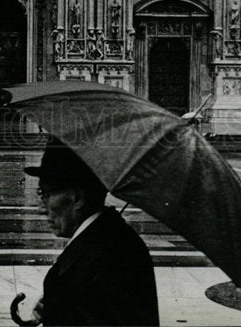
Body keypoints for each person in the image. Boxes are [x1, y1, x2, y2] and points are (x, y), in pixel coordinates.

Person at [17, 137, 159, 326]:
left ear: (77, 198)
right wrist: (57, 306)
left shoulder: (113, 253)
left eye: (45, 194)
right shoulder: (102, 237)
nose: (41, 208)